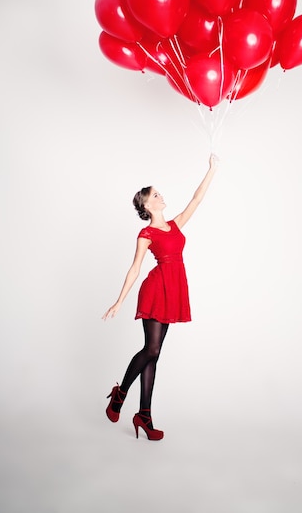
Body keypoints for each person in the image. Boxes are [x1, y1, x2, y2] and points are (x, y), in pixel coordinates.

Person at [102, 154, 218, 440]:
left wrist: (212, 169)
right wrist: (119, 300)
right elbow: (135, 268)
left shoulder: (176, 224)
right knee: (151, 350)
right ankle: (120, 394)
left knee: (155, 354)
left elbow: (196, 199)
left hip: (174, 288)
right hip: (156, 290)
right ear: (147, 204)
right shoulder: (146, 232)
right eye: (155, 194)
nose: (160, 195)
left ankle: (145, 415)